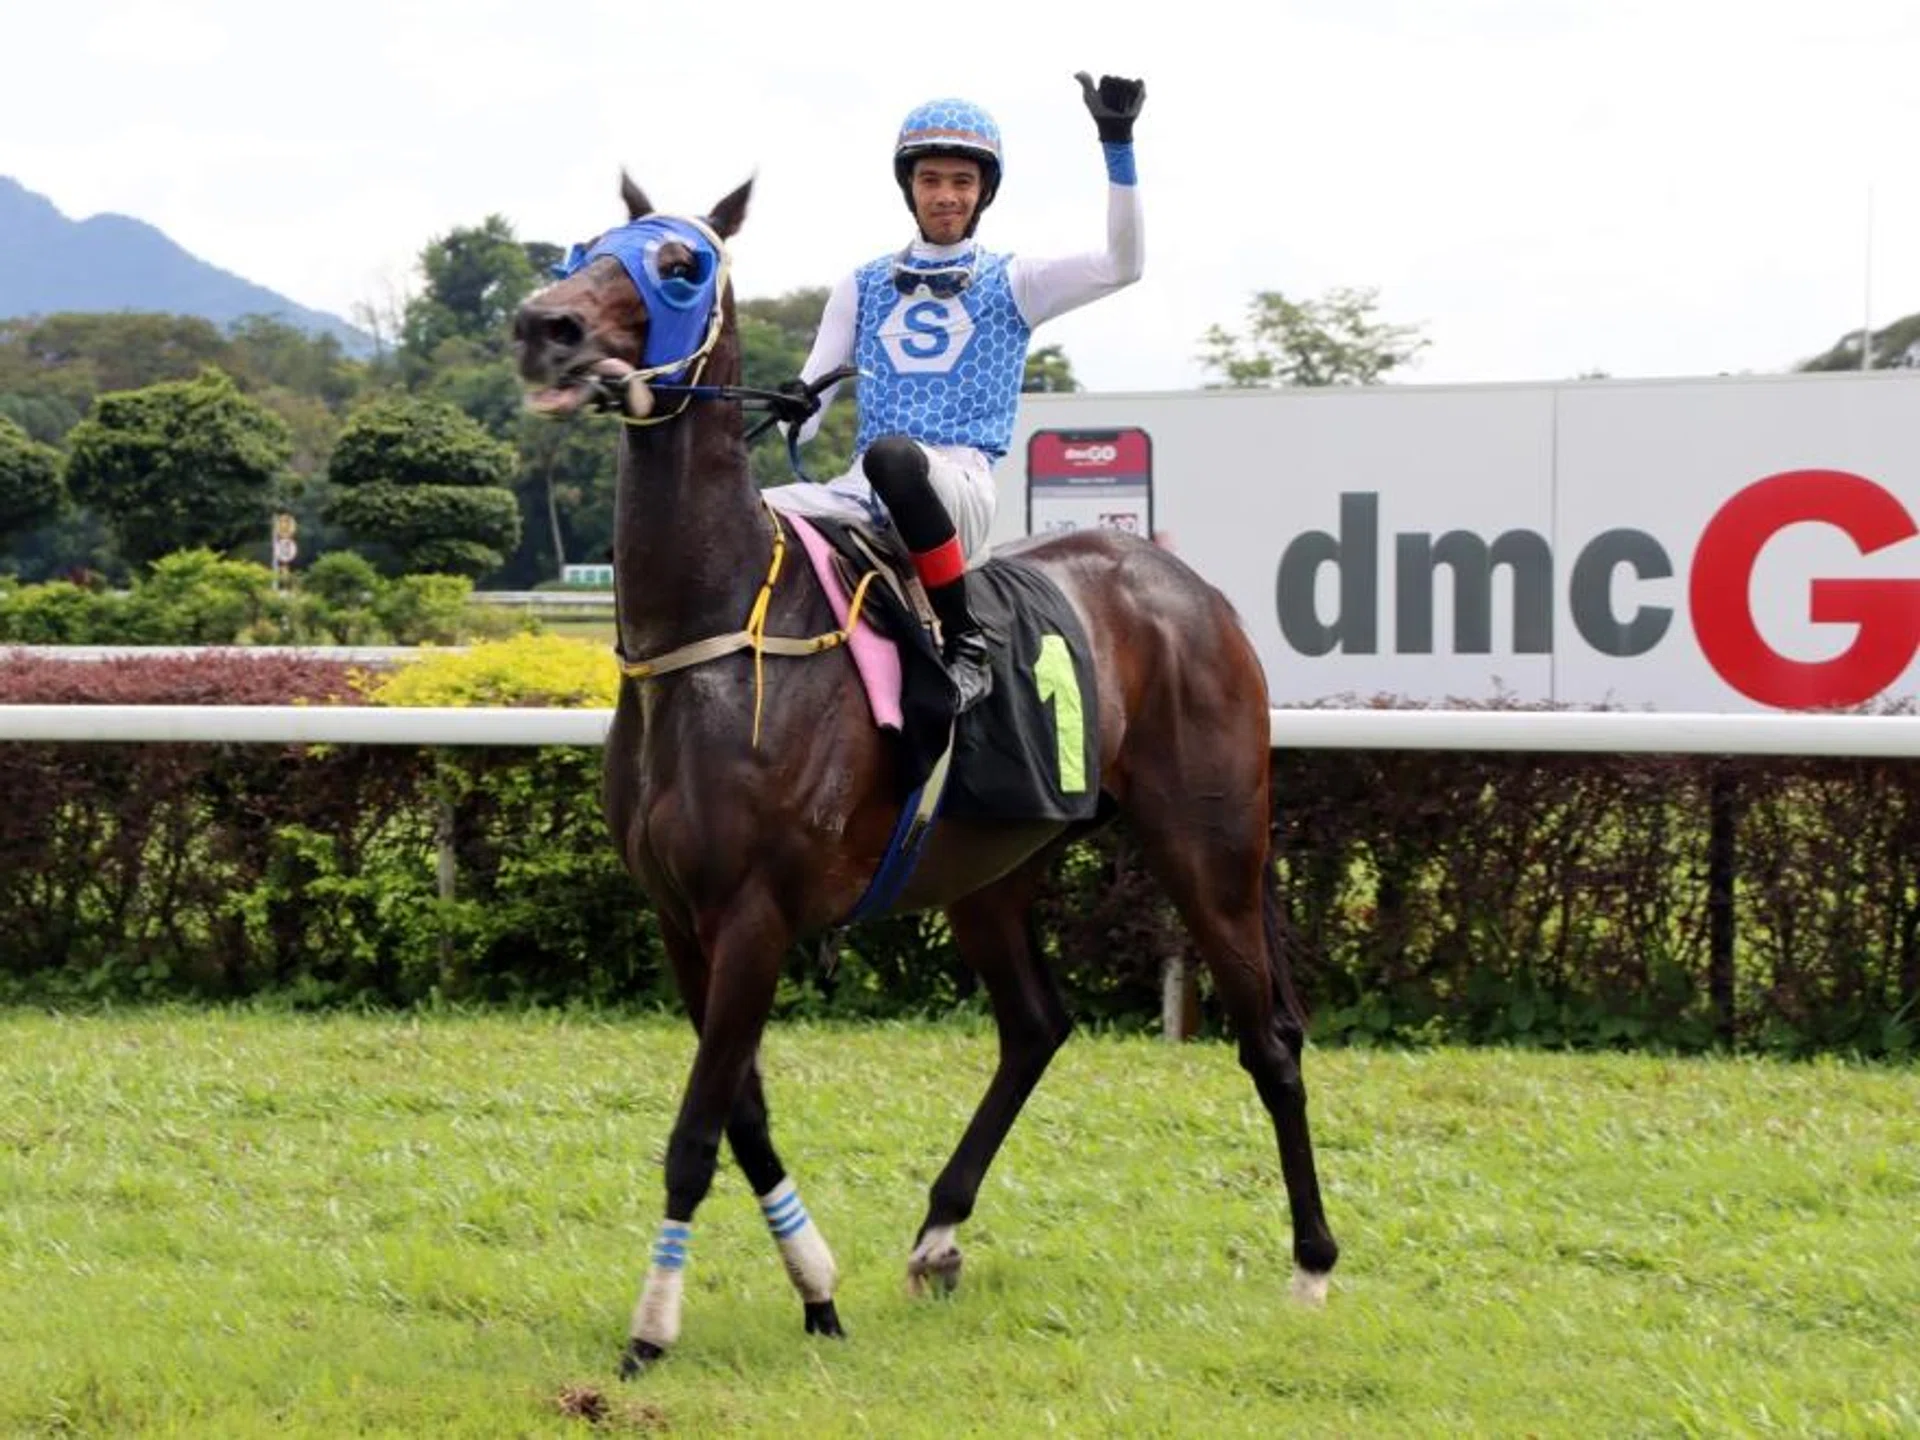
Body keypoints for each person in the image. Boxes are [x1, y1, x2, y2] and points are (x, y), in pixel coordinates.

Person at [763, 72, 1147, 712]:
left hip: (959, 489)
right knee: (745, 517)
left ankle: (965, 641)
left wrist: (1117, 145)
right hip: (860, 491)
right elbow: (800, 430)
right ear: (909, 187)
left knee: (893, 455)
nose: (946, 196)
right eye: (932, 180)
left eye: (961, 182)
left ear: (983, 192)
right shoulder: (859, 286)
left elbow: (1122, 265)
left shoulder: (1018, 280)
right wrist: (793, 407)